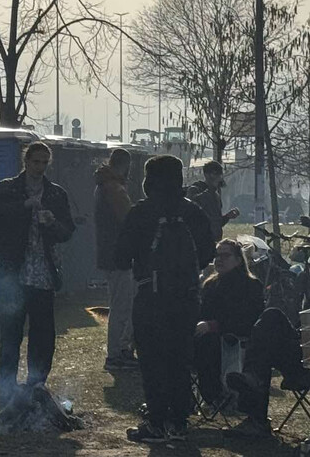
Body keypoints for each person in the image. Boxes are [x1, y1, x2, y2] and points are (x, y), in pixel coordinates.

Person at [115, 155, 214, 443]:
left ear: (149, 181)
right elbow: (207, 252)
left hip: (151, 296)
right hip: (187, 299)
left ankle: (156, 421)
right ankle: (179, 422)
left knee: (152, 361)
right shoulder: (192, 211)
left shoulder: (141, 212)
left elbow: (120, 257)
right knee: (180, 360)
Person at [226, 239, 310, 438]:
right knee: (271, 319)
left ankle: (255, 410)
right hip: (307, 357)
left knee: (268, 337)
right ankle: (254, 404)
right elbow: (302, 327)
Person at [0, 141, 75, 409]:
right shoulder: (7, 188)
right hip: (13, 272)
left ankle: (37, 381)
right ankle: (6, 384)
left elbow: (67, 231)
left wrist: (52, 223)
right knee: (11, 330)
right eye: (36, 162)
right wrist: (24, 206)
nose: (40, 167)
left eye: (45, 163)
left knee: (44, 332)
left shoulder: (56, 194)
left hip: (43, 272)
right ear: (26, 162)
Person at [193, 239, 265, 412]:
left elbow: (248, 320)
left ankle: (215, 396)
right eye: (216, 255)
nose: (219, 260)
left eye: (225, 255)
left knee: (207, 342)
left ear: (239, 260)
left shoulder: (251, 285)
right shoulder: (210, 285)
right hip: (205, 336)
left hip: (235, 341)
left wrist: (214, 326)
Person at [94, 148, 138, 371]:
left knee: (119, 304)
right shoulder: (114, 188)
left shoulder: (103, 186)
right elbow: (128, 219)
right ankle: (117, 353)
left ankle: (119, 351)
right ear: (126, 165)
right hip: (119, 255)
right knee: (122, 307)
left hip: (109, 254)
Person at [186, 160, 240, 242]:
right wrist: (210, 189)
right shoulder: (195, 189)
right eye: (215, 173)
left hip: (214, 239)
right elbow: (193, 207)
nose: (218, 177)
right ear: (206, 175)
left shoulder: (216, 195)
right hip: (199, 238)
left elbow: (217, 222)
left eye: (220, 174)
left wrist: (227, 217)